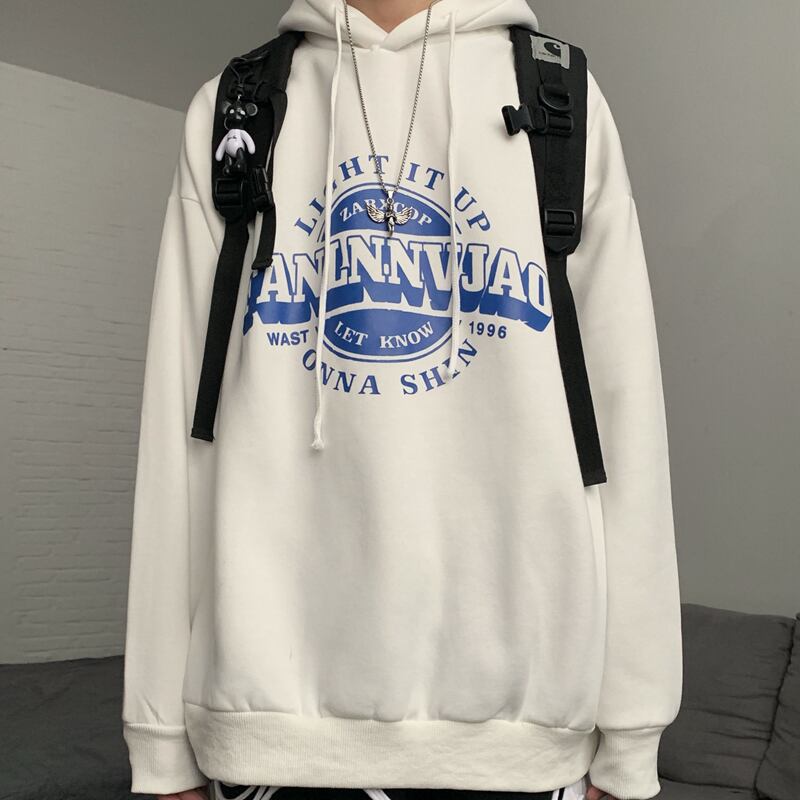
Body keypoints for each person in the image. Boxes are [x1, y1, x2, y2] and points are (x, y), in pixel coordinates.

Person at [121, 1, 683, 800]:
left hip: (522, 747)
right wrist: (158, 741)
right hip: (267, 740)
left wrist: (632, 734)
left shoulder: (558, 97)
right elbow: (178, 423)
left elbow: (625, 419)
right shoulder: (235, 108)